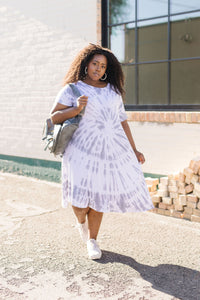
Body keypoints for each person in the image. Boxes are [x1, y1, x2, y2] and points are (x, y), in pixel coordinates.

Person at [50, 43, 154, 260]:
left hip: (107, 152)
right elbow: (54, 117)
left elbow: (122, 122)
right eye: (95, 63)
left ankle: (92, 241)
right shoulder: (73, 89)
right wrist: (76, 109)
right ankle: (80, 222)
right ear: (86, 64)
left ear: (107, 69)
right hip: (78, 151)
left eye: (102, 65)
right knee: (80, 204)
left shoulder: (113, 91)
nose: (98, 68)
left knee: (98, 199)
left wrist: (134, 150)